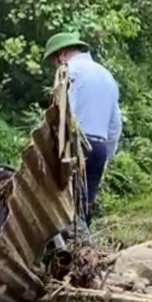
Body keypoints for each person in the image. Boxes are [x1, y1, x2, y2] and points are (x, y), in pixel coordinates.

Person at [44, 32, 122, 227]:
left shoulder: (68, 70)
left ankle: (71, 250)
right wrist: (107, 156)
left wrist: (55, 151)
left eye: (55, 60)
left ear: (61, 54)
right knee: (85, 206)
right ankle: (87, 250)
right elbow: (115, 123)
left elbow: (63, 113)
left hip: (76, 146)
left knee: (64, 206)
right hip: (100, 148)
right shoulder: (106, 75)